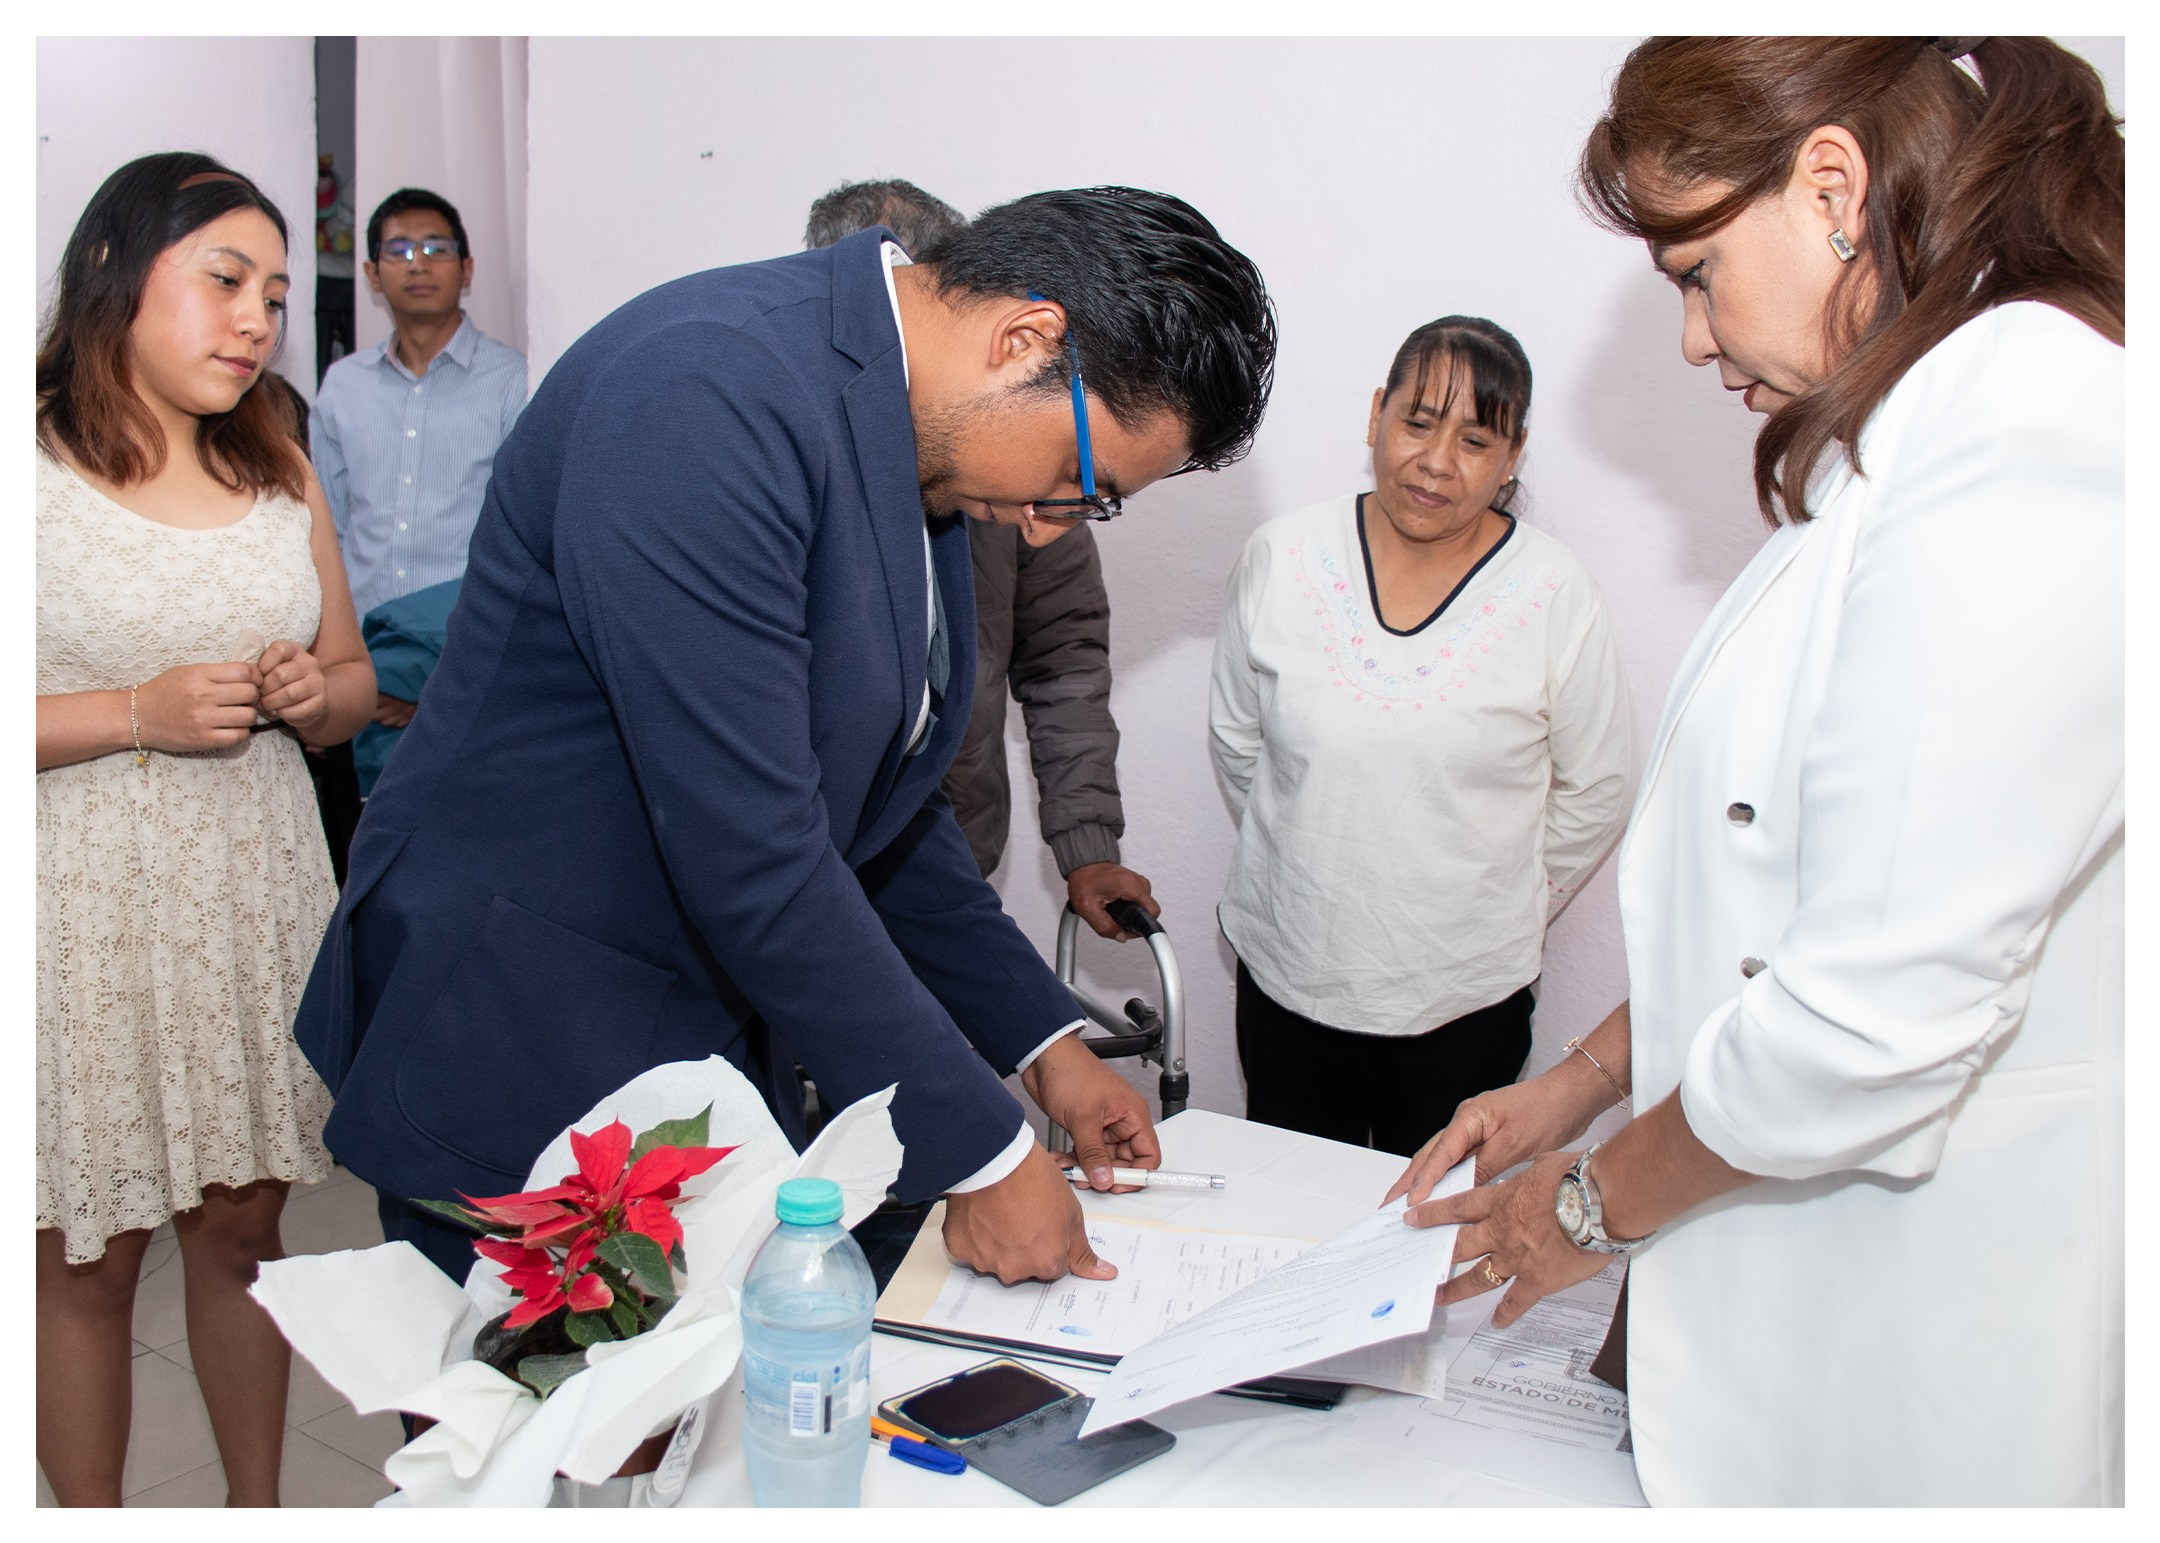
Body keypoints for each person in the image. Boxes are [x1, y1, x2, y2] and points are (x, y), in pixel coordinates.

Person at [294, 186, 1278, 1292]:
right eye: (1081, 481)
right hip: (520, 1035)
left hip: (681, 1047)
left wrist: (1044, 1047)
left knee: (684, 1452)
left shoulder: (906, 437)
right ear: (1025, 339)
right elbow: (754, 846)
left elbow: (887, 816)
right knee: (516, 1455)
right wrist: (989, 1154)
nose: (1054, 521)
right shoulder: (706, 389)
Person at [1388, 37, 2124, 1505]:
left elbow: (1869, 1016)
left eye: (1694, 270)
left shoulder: (2026, 422)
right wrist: (1583, 1083)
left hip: (1912, 1327)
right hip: (1802, 1284)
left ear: (1834, 186)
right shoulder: (1900, 448)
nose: (1692, 339)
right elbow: (1778, 896)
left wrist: (1581, 1208)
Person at [35, 152, 376, 1506]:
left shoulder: (279, 460)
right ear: (118, 273)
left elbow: (352, 686)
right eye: (226, 281)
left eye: (279, 296)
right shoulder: (31, 461)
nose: (257, 320)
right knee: (85, 1253)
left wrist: (312, 694)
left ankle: (255, 1512)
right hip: (81, 901)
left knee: (246, 1233)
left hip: (250, 892)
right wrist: (135, 709)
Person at [1210, 317, 1633, 1156]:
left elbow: (1599, 784)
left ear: (1512, 458)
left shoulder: (1553, 592)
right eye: (1417, 422)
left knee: (1422, 1235)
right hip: (1290, 975)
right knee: (1293, 1224)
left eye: (1476, 439)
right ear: (1376, 415)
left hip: (1463, 1002)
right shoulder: (1284, 556)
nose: (1438, 461)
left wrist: (1498, 899)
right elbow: (1239, 740)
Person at [807, 178, 1159, 939]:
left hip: (943, 855)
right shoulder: (786, 453)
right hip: (798, 862)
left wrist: (1086, 844)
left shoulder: (1025, 469)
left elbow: (1064, 658)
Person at [309, 186, 527, 795]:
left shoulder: (515, 383)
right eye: (399, 250)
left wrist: (430, 676)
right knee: (366, 859)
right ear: (372, 274)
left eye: (437, 248)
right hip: (358, 677)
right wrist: (340, 682)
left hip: (462, 669)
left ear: (468, 267)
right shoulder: (342, 387)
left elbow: (524, 544)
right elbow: (324, 536)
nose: (419, 263)